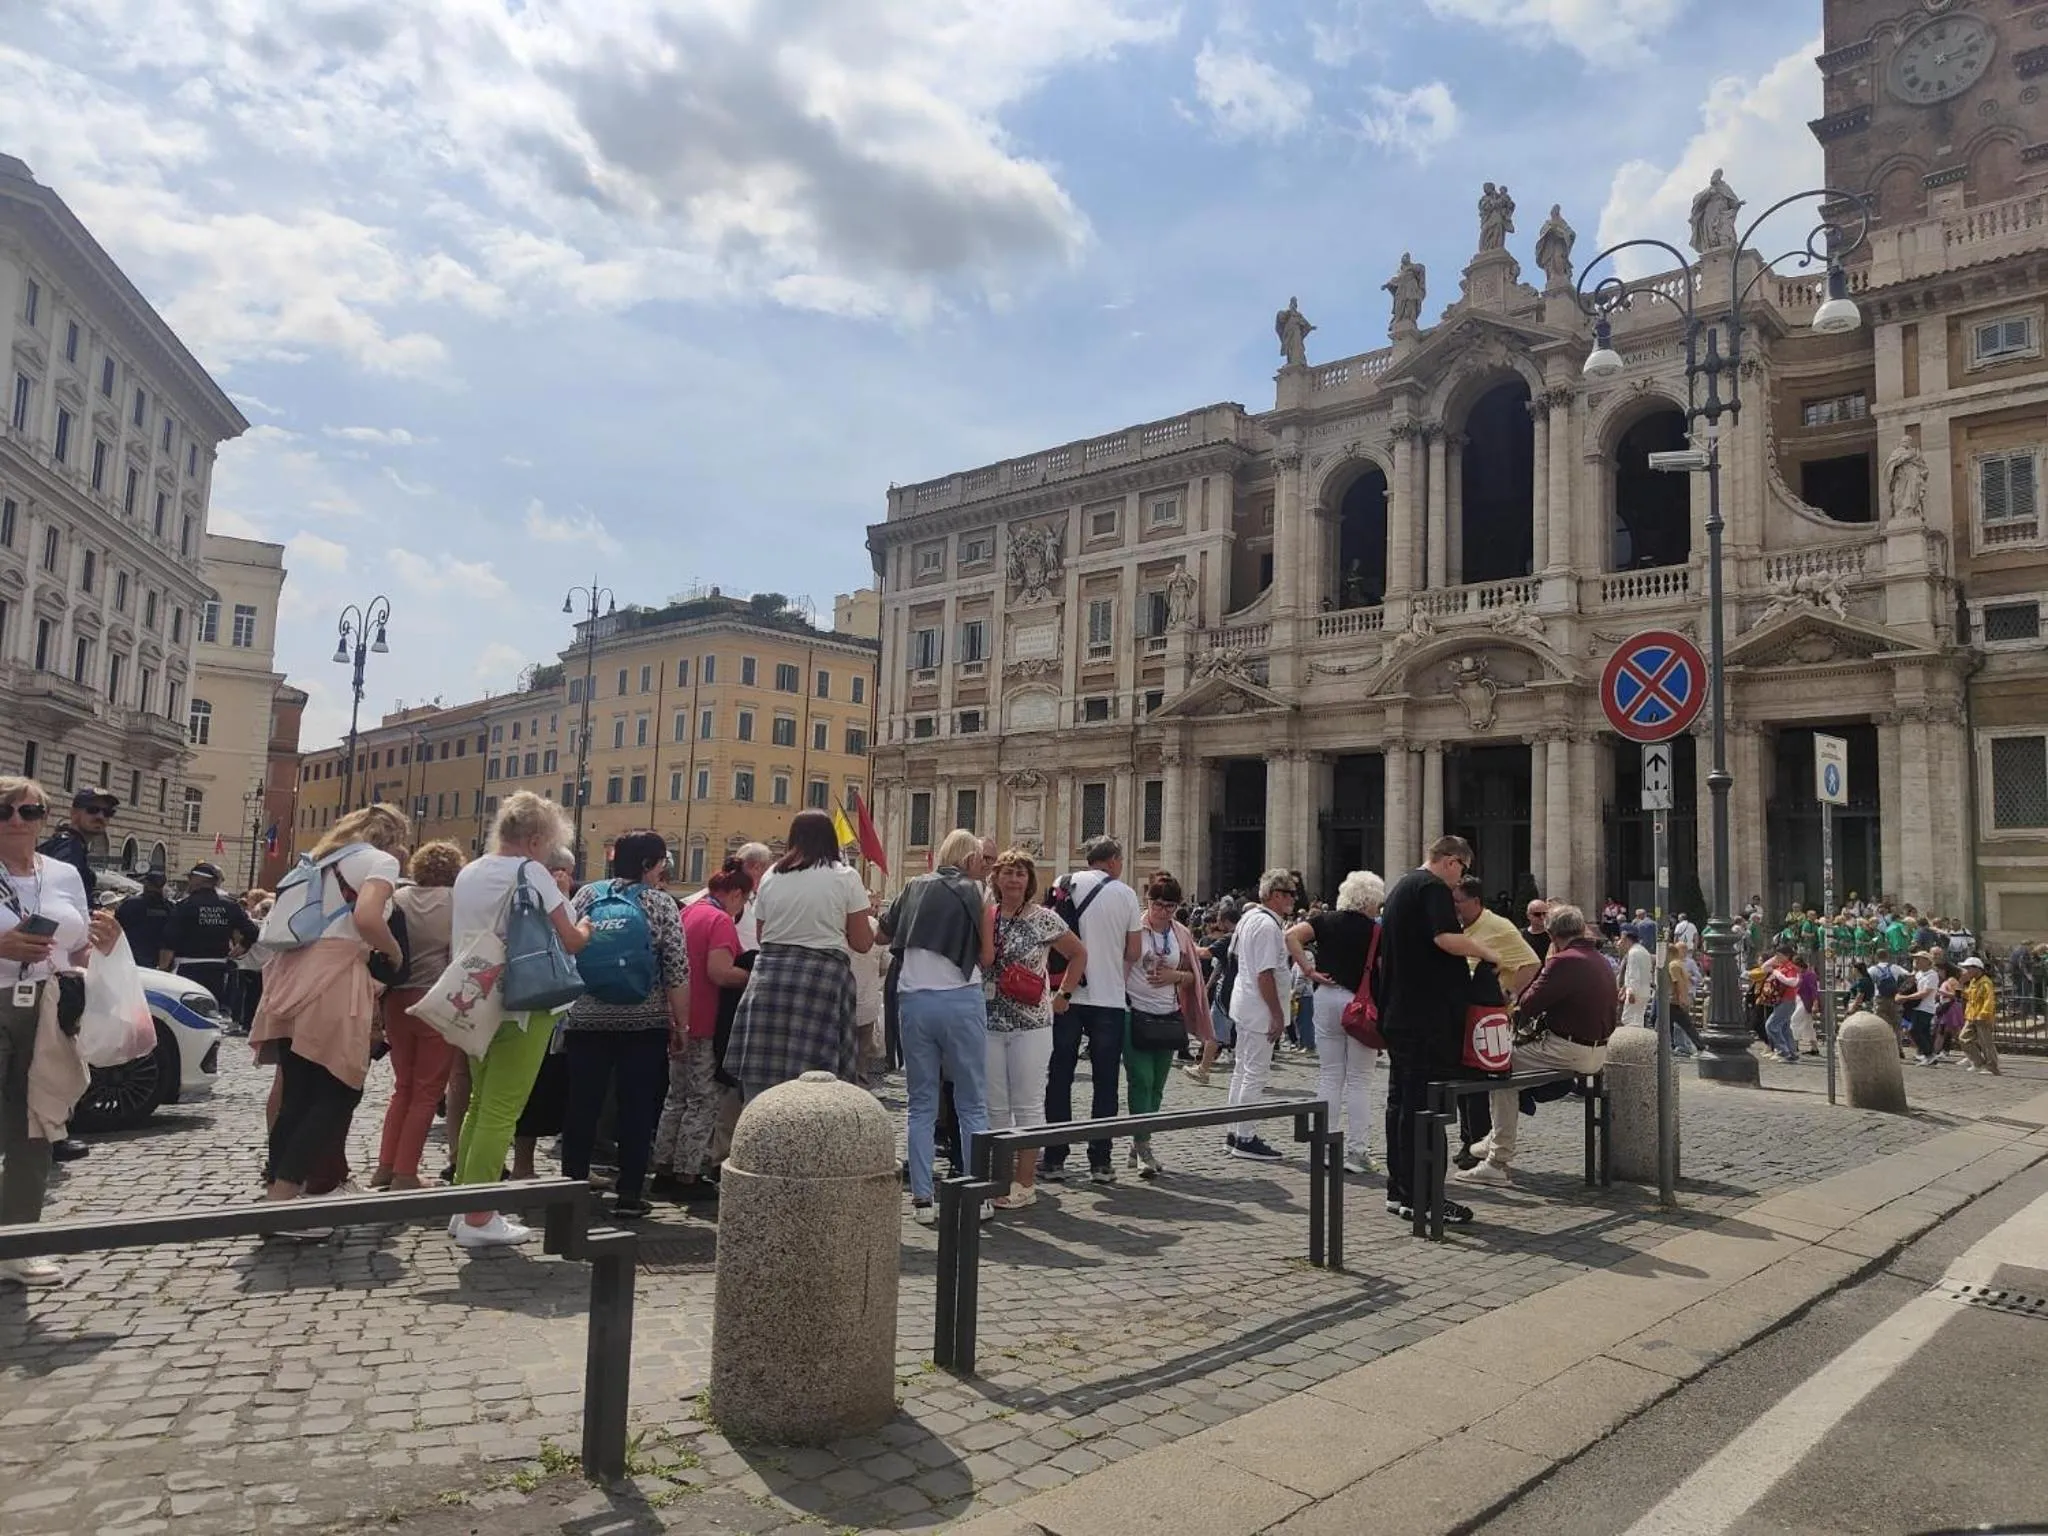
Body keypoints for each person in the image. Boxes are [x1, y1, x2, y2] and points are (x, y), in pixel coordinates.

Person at [250, 803, 408, 1239]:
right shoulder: (380, 861)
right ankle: (284, 1206)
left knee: (297, 1095)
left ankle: (274, 1199)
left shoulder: (319, 860)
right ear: (390, 836)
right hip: (335, 978)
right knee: (337, 1092)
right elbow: (368, 917)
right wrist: (392, 952)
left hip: (290, 975)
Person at [447, 793, 591, 1250]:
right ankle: (479, 1214)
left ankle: (464, 1202)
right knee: (501, 1111)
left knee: (478, 1105)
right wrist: (585, 924)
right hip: (524, 1003)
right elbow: (570, 940)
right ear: (534, 839)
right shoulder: (531, 873)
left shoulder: (470, 871)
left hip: (476, 998)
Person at [0, 776, 121, 1286]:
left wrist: (105, 940)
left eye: (28, 812)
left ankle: (17, 1245)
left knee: (35, 1123)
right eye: (4, 810)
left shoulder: (66, 873)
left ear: (44, 819)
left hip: (46, 1008)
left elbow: (77, 950)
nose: (15, 821)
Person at [560, 833, 689, 1221]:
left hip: (585, 1019)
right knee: (636, 1107)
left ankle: (571, 1188)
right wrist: (682, 1024)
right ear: (650, 863)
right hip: (642, 1022)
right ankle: (630, 1194)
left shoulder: (586, 897)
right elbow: (677, 970)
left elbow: (567, 951)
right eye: (663, 861)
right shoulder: (661, 904)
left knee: (582, 1105)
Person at [1376, 836, 1498, 1223]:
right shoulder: (1431, 888)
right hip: (1425, 1019)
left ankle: (1401, 1191)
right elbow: (1444, 938)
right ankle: (1426, 1198)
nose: (1460, 879)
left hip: (1400, 1014)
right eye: (1462, 869)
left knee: (1400, 1105)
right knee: (1425, 1109)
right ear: (1450, 861)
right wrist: (1485, 951)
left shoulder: (1401, 887)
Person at [1457, 904, 1617, 1187]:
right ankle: (1495, 1138)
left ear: (1552, 935)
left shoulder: (1563, 961)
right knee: (1509, 1070)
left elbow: (1529, 1002)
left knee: (1501, 1070)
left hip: (1568, 1051)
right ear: (1581, 929)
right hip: (1598, 1052)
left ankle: (1498, 1159)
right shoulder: (1600, 959)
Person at [881, 829, 994, 1224]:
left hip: (914, 1000)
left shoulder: (912, 886)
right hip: (961, 999)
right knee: (971, 1102)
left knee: (921, 1104)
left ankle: (923, 1199)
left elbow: (882, 932)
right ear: (968, 860)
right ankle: (976, 1195)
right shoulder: (978, 893)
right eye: (980, 859)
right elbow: (985, 953)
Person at [728, 810, 875, 1101]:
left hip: (769, 977)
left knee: (763, 1074)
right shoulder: (845, 876)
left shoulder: (771, 876)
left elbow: (761, 935)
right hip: (821, 980)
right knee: (817, 1081)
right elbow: (862, 942)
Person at [984, 848, 1083, 1210]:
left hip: (1032, 1023)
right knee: (995, 1106)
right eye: (1007, 873)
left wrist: (1064, 994)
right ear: (995, 878)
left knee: (1027, 1104)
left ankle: (1024, 1182)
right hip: (990, 1020)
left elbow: (1078, 954)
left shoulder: (1044, 918)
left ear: (1029, 881)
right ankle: (998, 1179)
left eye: (1020, 874)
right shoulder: (988, 915)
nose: (1013, 879)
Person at [1042, 836, 1143, 1184]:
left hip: (1065, 994)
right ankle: (1100, 1160)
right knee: (1105, 1082)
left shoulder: (1062, 883)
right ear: (1114, 860)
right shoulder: (1126, 893)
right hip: (1108, 998)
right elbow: (1133, 952)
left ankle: (1054, 1158)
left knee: (1059, 1077)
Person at [654, 859, 754, 1203]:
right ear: (736, 894)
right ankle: (689, 1172)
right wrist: (754, 977)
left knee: (675, 1096)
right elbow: (720, 972)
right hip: (707, 1020)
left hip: (678, 1017)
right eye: (744, 901)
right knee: (703, 1099)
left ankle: (663, 1166)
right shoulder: (719, 919)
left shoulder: (689, 912)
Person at [370, 841, 461, 1190]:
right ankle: (406, 1173)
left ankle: (385, 1167)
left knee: (402, 1089)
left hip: (397, 1000)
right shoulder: (455, 902)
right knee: (427, 1092)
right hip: (434, 1001)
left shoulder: (401, 899)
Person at [1287, 869, 1384, 1177]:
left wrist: (1307, 969)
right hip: (1359, 1004)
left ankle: (1324, 1146)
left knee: (1330, 1075)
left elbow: (1290, 936)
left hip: (1326, 997)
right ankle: (1357, 1151)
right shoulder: (1376, 931)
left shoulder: (1325, 920)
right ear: (1371, 900)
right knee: (1359, 1080)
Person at [1123, 871, 1211, 1179]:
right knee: (1141, 1080)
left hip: (1168, 1015)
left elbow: (1192, 975)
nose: (1163, 911)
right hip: (1135, 1013)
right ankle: (1143, 1144)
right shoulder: (1133, 928)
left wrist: (1176, 977)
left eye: (1170, 905)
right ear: (1147, 900)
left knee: (1158, 1086)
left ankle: (1140, 1139)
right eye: (1157, 903)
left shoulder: (1180, 933)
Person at [1223, 868, 1299, 1163]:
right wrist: (1278, 1015)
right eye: (1290, 894)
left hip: (1245, 1005)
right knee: (1254, 1074)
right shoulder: (1267, 926)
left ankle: (1234, 1131)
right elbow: (1265, 974)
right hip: (1260, 1010)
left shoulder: (1249, 918)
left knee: (1242, 1071)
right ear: (1276, 895)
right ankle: (1246, 1137)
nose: (1294, 899)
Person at [157, 860, 258, 1007]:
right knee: (212, 1009)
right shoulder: (230, 905)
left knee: (188, 1011)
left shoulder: (184, 906)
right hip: (218, 969)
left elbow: (169, 940)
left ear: (199, 880)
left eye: (190, 878)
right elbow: (252, 931)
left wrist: (163, 969)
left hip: (188, 969)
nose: (188, 882)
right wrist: (243, 946)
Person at [36, 785, 114, 908]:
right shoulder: (68, 847)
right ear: (74, 813)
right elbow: (59, 895)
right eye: (92, 810)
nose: (101, 817)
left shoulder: (71, 845)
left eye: (108, 812)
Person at [114, 870, 174, 967]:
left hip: (132, 959)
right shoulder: (170, 907)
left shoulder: (130, 904)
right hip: (160, 963)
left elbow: (116, 928)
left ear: (146, 884)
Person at [1898, 950, 1944, 1066]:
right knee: (1924, 1032)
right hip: (1916, 1007)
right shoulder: (1918, 974)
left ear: (1927, 961)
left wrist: (1906, 997)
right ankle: (1930, 1056)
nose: (1916, 961)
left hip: (1925, 1008)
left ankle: (1929, 1054)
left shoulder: (1932, 975)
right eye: (1915, 959)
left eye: (1919, 959)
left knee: (1914, 1030)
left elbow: (1925, 992)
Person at [1958, 956, 2001, 1076]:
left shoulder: (1986, 982)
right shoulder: (1973, 981)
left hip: (1982, 1017)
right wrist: (1962, 991)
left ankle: (1992, 1067)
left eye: (1968, 968)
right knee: (1963, 1038)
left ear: (1977, 969)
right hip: (1972, 1015)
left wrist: (1983, 1014)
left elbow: (1989, 1000)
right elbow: (1971, 996)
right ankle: (1978, 1063)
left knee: (1986, 1043)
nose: (1966, 971)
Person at [1616, 930, 1655, 1029]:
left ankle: (1631, 1042)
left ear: (1627, 940)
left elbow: (1633, 974)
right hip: (1644, 990)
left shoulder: (1633, 953)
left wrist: (1631, 992)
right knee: (1638, 1019)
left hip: (1635, 991)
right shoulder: (1643, 951)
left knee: (1628, 1019)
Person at [1522, 899, 1552, 964]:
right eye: (1537, 914)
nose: (1542, 917)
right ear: (1528, 915)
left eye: (1544, 914)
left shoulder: (1553, 935)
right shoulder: (1522, 936)